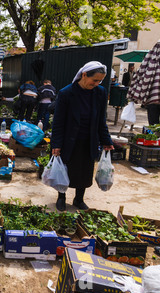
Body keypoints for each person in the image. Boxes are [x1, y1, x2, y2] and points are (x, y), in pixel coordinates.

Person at [51, 61, 114, 211]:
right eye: (95, 80)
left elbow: (101, 120)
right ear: (84, 75)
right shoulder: (66, 93)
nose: (97, 83)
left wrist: (106, 140)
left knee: (85, 172)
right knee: (64, 170)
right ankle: (61, 197)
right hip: (69, 140)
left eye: (100, 81)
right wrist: (56, 144)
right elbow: (58, 122)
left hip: (89, 139)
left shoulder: (100, 92)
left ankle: (79, 199)